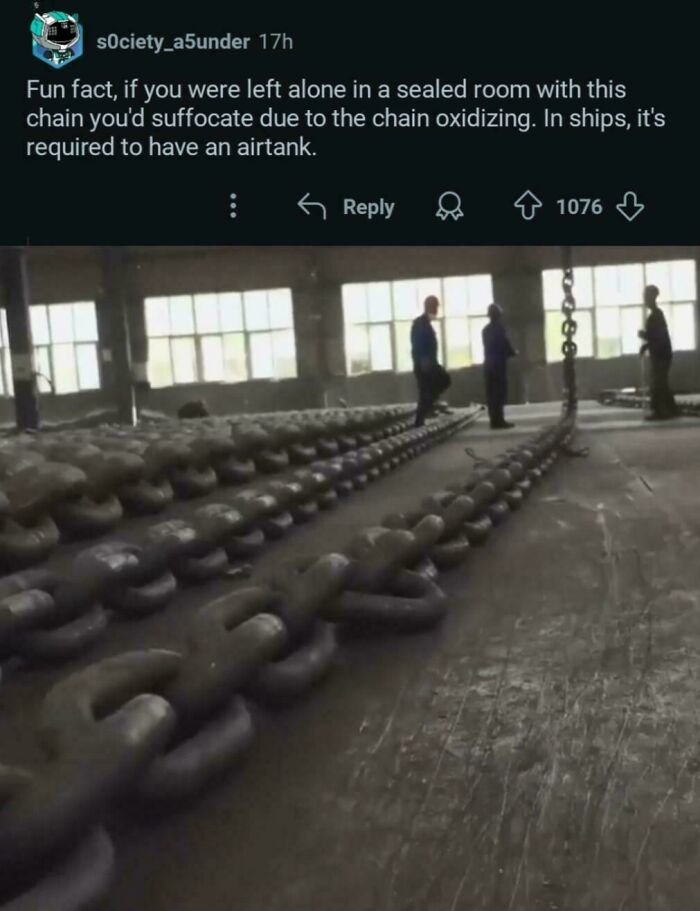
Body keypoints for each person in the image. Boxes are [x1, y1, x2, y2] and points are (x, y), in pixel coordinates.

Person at [638, 285, 678, 420]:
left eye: (646, 296)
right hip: (661, 353)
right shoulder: (655, 315)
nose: (644, 299)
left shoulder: (656, 315)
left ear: (651, 297)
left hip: (661, 354)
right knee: (662, 382)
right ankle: (672, 409)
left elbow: (658, 336)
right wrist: (646, 345)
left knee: (657, 383)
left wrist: (644, 336)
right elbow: (656, 337)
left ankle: (660, 412)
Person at [410, 295, 450, 427]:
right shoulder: (420, 324)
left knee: (430, 390)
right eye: (436, 307)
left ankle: (424, 413)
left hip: (429, 363)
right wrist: (424, 361)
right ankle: (420, 418)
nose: (437, 310)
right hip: (424, 364)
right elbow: (419, 344)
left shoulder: (425, 323)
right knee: (438, 383)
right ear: (430, 307)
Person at [482, 303, 517, 429]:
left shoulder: (485, 330)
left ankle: (493, 420)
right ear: (498, 316)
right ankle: (499, 420)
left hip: (488, 365)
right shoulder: (500, 329)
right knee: (499, 393)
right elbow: (504, 346)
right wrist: (514, 352)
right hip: (498, 366)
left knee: (491, 394)